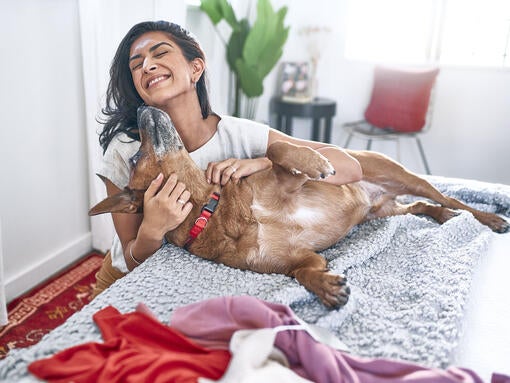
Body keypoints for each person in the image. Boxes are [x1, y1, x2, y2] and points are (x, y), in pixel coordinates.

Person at [91, 20, 362, 298]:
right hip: (123, 280)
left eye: (160, 54)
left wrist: (264, 162)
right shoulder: (125, 151)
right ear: (138, 86)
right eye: (137, 65)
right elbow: (129, 258)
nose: (147, 66)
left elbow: (349, 168)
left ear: (195, 67)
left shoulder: (238, 135)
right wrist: (152, 229)